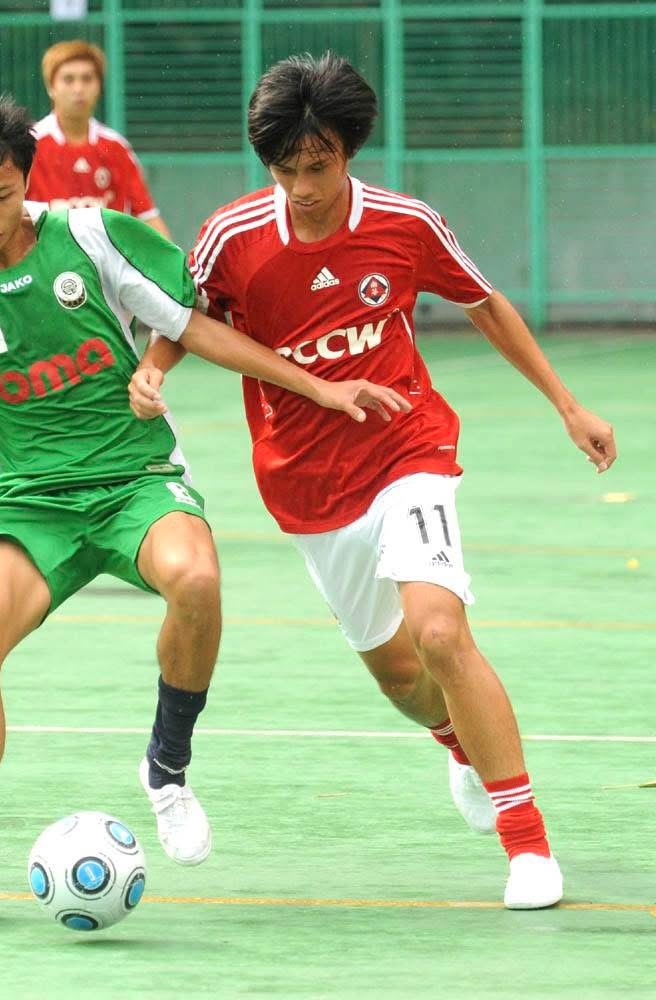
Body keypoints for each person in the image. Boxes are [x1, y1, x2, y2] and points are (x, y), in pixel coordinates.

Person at [0, 93, 405, 910]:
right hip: (27, 503)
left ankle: (166, 766)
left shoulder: (91, 235)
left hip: (136, 478)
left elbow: (193, 323)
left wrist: (317, 386)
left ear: (28, 179)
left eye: (3, 194)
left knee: (196, 580)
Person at [129, 53, 618, 910]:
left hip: (406, 449)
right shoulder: (232, 237)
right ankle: (458, 744)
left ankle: (528, 844)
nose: (303, 188)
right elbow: (185, 315)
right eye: (285, 170)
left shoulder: (405, 223)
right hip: (306, 486)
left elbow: (485, 304)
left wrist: (567, 405)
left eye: (318, 167)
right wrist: (154, 368)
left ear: (349, 151)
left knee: (440, 632)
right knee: (401, 678)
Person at [26, 39, 171, 239]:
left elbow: (147, 217)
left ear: (99, 87)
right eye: (68, 79)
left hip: (107, 258)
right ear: (51, 87)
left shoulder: (116, 147)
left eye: (87, 79)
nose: (78, 88)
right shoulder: (28, 145)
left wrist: (173, 257)